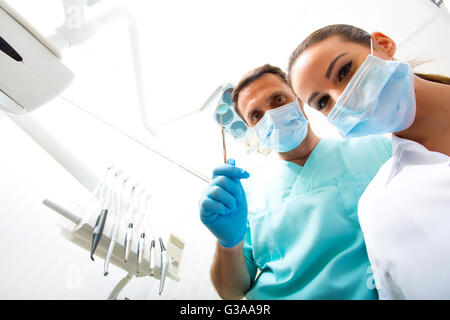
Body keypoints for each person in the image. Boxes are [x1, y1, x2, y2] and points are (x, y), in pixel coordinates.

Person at [198, 64, 392, 299]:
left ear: (299, 98)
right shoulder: (247, 195)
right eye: (256, 115)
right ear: (251, 129)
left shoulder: (375, 148)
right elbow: (231, 292)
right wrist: (227, 244)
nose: (270, 115)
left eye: (278, 99)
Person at [287, 24, 450, 299]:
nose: (341, 99)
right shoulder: (380, 207)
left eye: (344, 71)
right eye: (323, 102)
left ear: (383, 44)